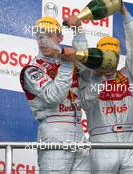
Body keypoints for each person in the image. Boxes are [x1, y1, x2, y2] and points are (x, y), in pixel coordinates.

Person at [78, 4, 133, 174]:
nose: (111, 60)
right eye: (106, 54)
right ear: (98, 55)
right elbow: (86, 103)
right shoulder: (88, 76)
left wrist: (124, 12)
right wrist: (97, 75)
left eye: (114, 55)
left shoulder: (128, 74)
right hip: (102, 143)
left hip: (130, 141)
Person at [20, 16, 90, 174]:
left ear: (60, 37)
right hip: (53, 132)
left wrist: (79, 29)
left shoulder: (68, 60)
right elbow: (54, 96)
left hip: (79, 132)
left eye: (49, 35)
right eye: (39, 36)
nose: (43, 40)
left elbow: (84, 62)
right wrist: (67, 63)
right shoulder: (32, 69)